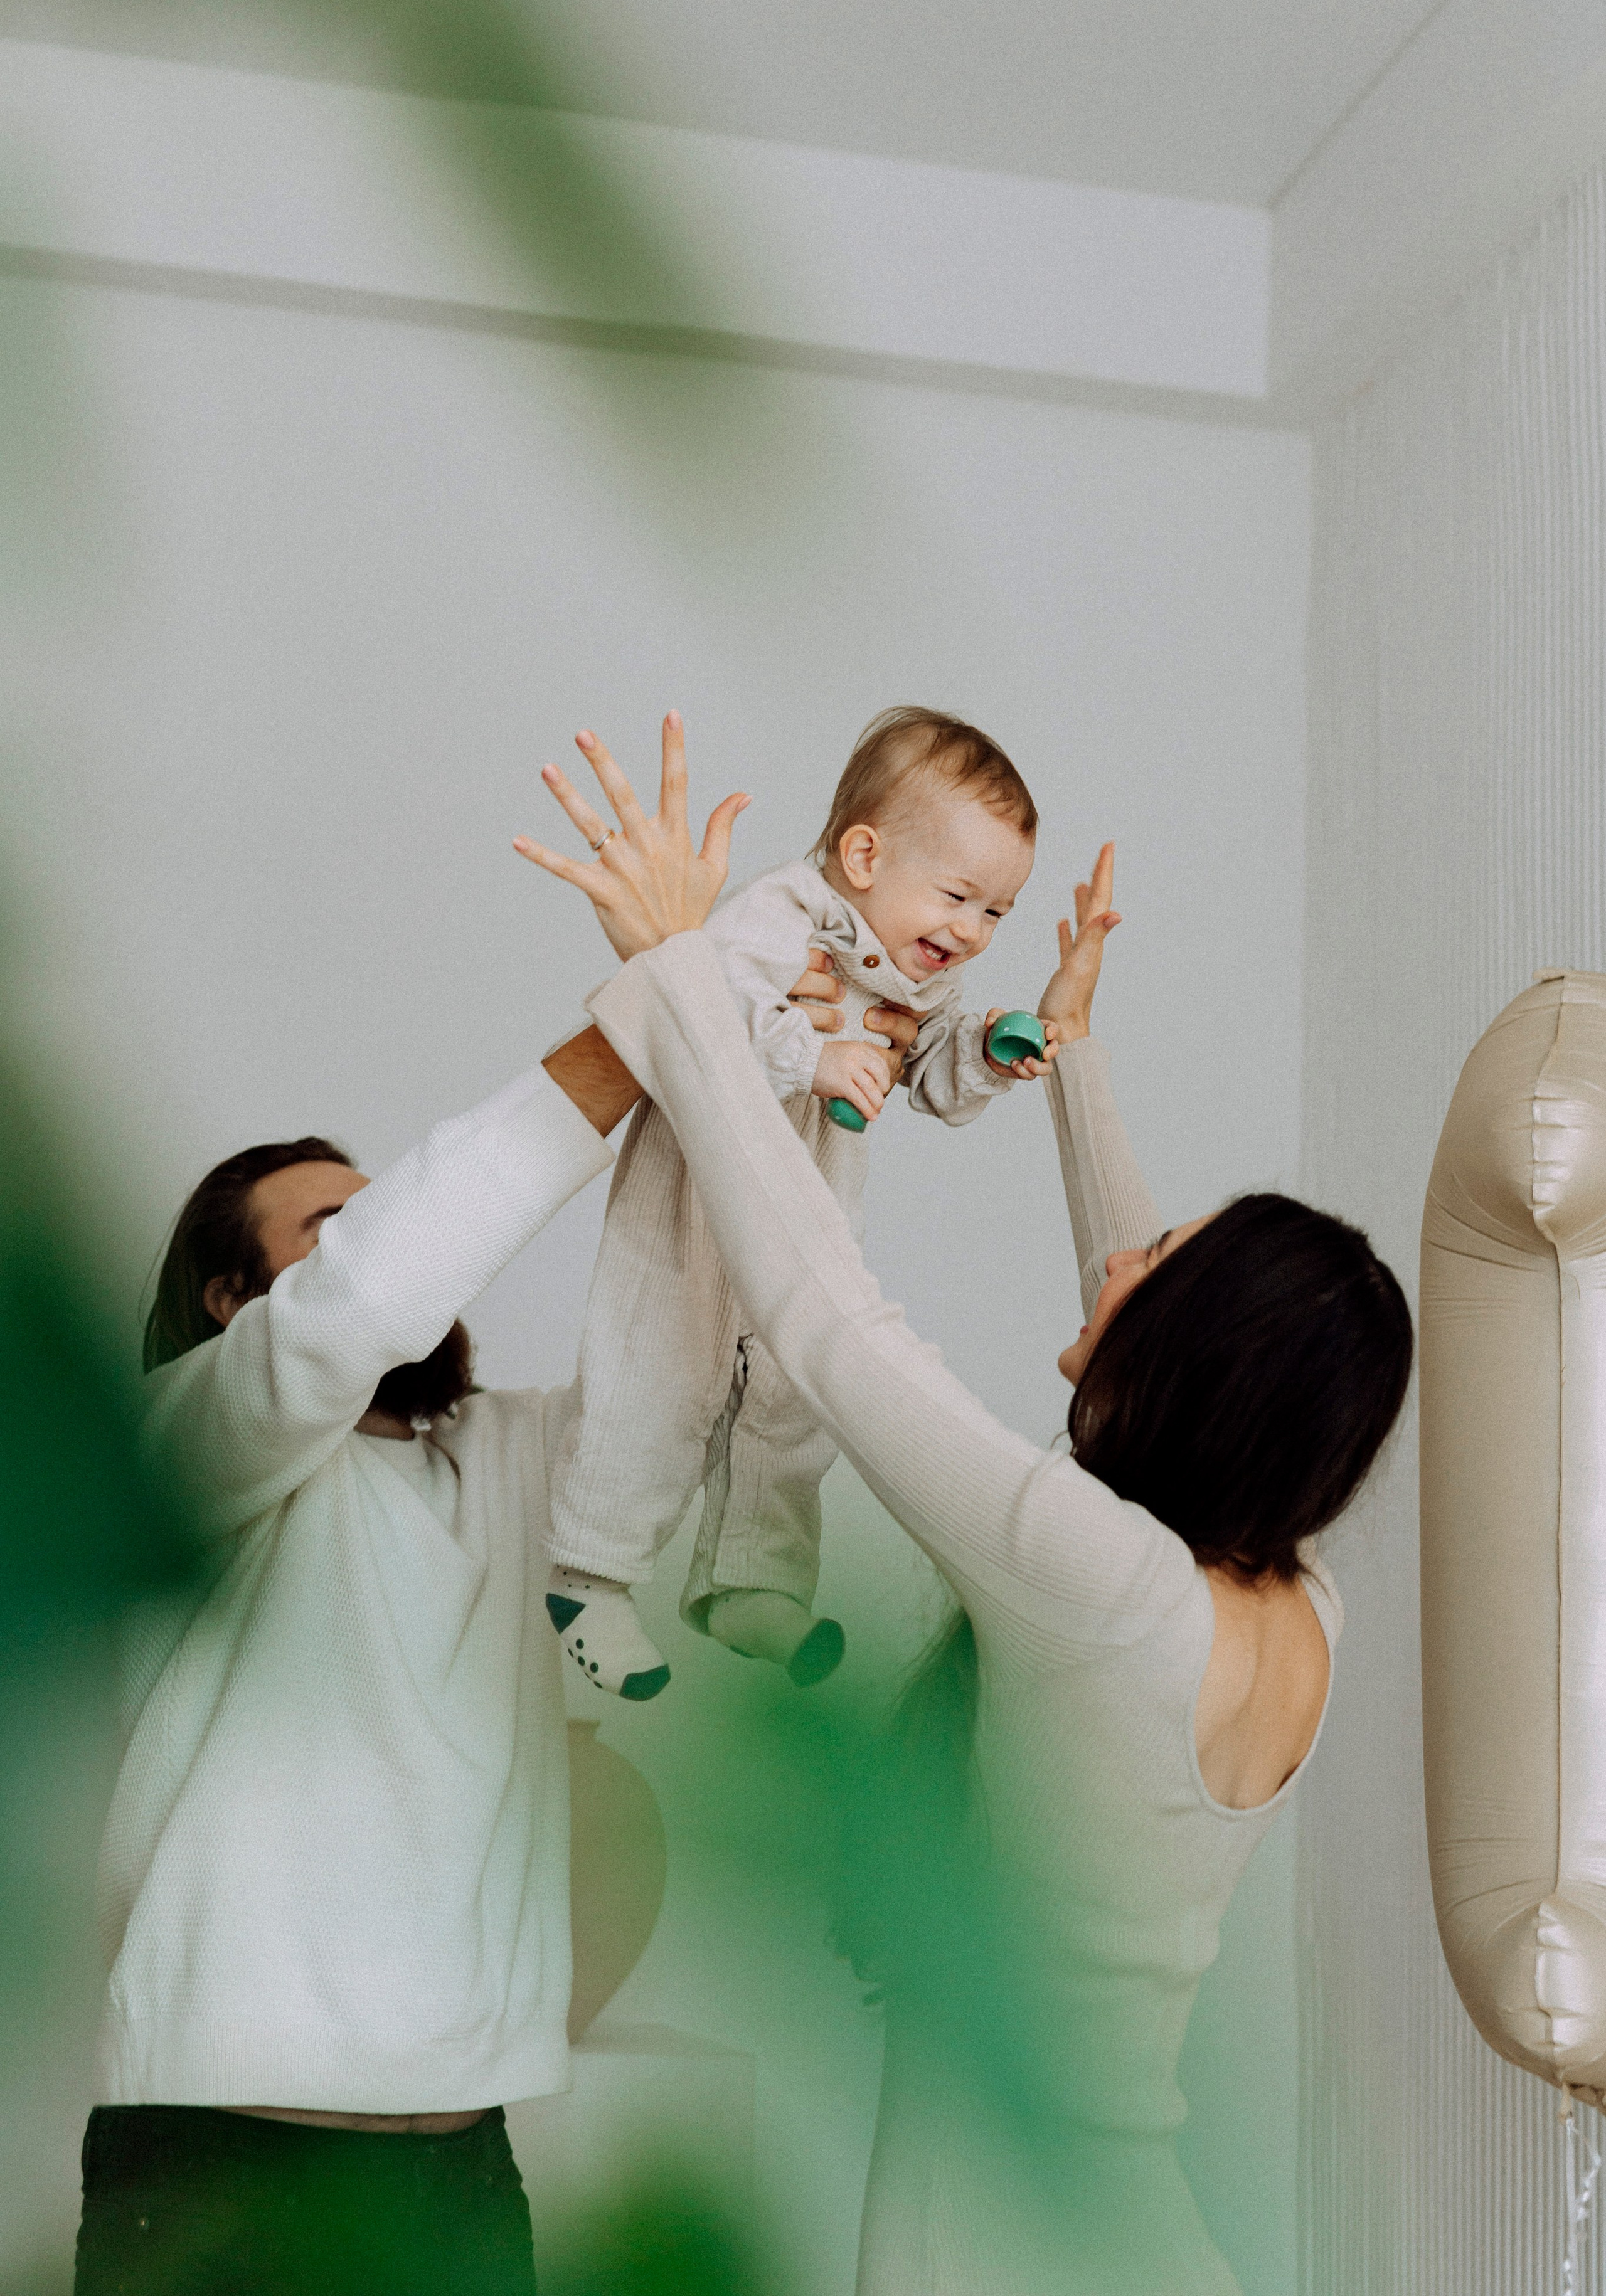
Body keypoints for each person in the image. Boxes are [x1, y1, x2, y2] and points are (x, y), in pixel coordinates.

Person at [523, 726, 1414, 2296]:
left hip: (992, 2238)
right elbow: (1149, 1320)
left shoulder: (1098, 1584)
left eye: (1155, 1264)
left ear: (1188, 1355)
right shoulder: (1294, 1607)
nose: (1118, 1257)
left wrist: (683, 979)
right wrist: (1066, 1055)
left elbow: (822, 1316)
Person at [74, 721, 917, 2296]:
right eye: (333, 1223)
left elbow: (688, 1340)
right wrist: (635, 1022)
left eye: (379, 1204)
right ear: (230, 1295)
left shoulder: (514, 1467)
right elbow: (372, 1296)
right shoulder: (189, 1446)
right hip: (219, 2154)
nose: (384, 1239)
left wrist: (740, 1021)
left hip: (462, 2158)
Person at [521, 706, 1054, 1702]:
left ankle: (751, 1583)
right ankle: (588, 1575)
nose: (971, 932)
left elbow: (926, 1074)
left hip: (801, 1216)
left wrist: (985, 1050)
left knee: (793, 1397)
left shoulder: (918, 976)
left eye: (997, 914)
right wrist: (816, 1055)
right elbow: (712, 1006)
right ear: (863, 853)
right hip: (694, 1206)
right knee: (659, 1376)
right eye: (958, 896)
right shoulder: (787, 912)